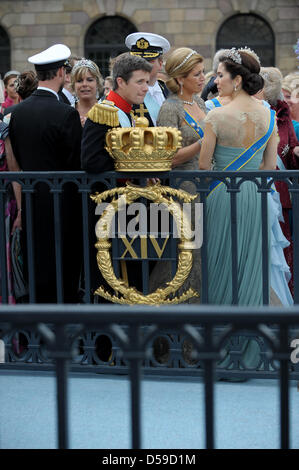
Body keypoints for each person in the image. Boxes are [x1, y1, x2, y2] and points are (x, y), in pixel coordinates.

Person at [199, 48, 278, 306]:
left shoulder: (216, 115)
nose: (215, 81)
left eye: (220, 75)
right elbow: (269, 167)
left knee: (221, 265)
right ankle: (251, 336)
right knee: (253, 266)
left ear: (238, 80)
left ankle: (221, 336)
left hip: (222, 196)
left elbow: (203, 166)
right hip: (257, 196)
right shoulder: (269, 114)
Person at [9, 44, 83, 303]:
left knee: (35, 268)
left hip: (29, 202)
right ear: (62, 72)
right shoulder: (66, 113)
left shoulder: (17, 112)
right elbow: (77, 162)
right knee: (64, 271)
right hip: (63, 203)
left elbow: (16, 158)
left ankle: (37, 336)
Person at [149, 47, 206, 304]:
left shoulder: (201, 103)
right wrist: (204, 144)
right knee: (186, 255)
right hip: (182, 188)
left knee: (201, 254)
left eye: (203, 72)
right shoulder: (169, 109)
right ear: (181, 78)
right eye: (197, 73)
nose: (203, 77)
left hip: (205, 186)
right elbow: (167, 159)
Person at [259, 67, 299, 297]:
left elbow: (290, 152)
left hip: (282, 194)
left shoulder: (283, 115)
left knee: (283, 251)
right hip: (255, 190)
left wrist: (293, 153)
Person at [81, 52, 152, 172]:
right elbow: (91, 161)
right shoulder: (103, 113)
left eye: (147, 82)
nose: (146, 88)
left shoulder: (128, 112)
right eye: (140, 82)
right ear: (121, 82)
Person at [125, 32, 170, 125]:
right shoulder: (125, 93)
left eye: (149, 61)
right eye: (138, 61)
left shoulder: (170, 91)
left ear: (160, 64)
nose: (143, 66)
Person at [71, 58, 103, 127]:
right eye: (79, 81)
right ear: (73, 85)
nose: (84, 84)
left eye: (89, 80)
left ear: (97, 83)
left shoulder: (108, 112)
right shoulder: (67, 112)